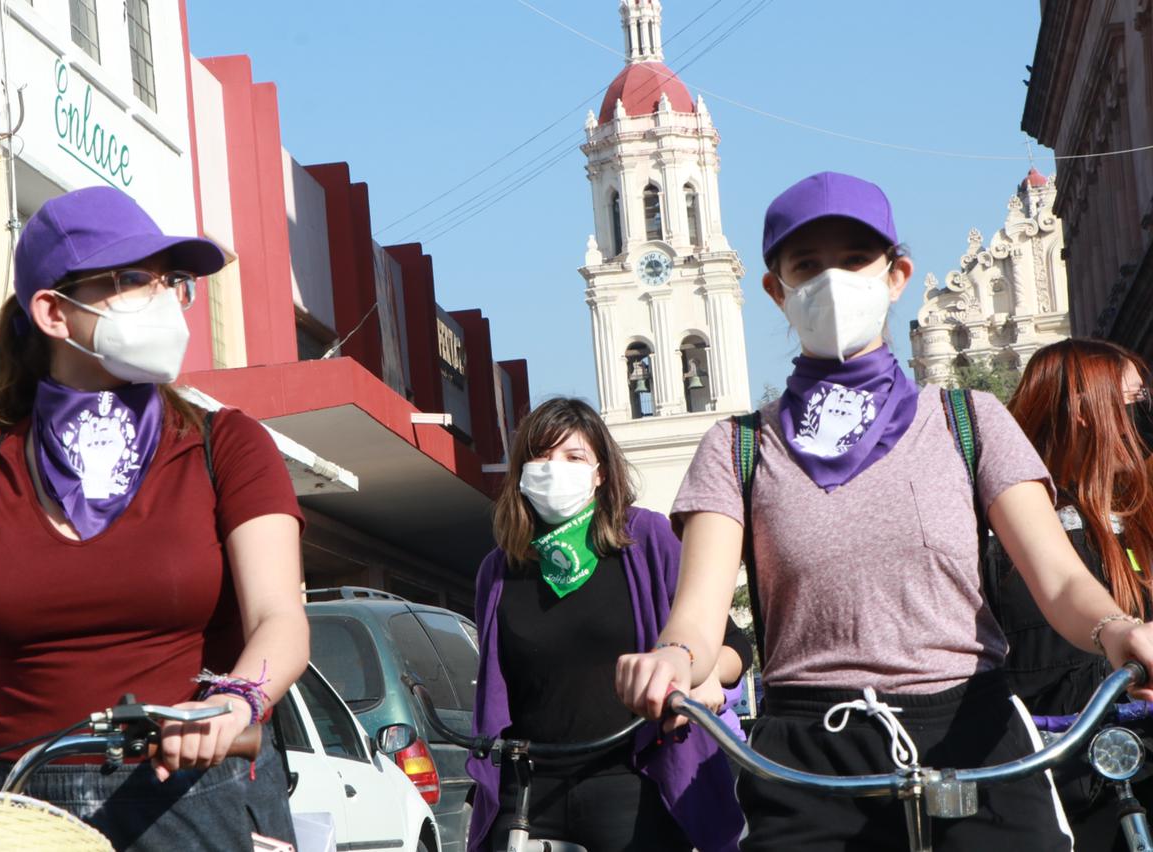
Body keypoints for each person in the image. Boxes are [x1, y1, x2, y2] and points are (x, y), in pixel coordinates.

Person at [614, 171, 1153, 852]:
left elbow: (1060, 580)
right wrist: (670, 658)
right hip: (806, 759)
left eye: (855, 259)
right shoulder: (738, 446)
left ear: (897, 274)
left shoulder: (970, 420)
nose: (832, 281)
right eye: (807, 265)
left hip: (974, 741)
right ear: (775, 290)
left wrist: (1117, 629)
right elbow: (696, 614)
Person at [0, 186, 308, 851]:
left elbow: (281, 619)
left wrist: (237, 700)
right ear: (52, 311)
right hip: (26, 812)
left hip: (200, 787)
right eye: (134, 280)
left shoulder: (228, 446)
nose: (162, 299)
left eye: (171, 281)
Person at [469, 397, 751, 852]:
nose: (553, 467)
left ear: (601, 473)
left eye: (573, 456)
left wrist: (702, 678)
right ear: (520, 473)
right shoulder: (498, 570)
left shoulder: (648, 540)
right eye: (540, 456)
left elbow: (735, 646)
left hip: (631, 783)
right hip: (528, 792)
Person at [988, 338, 1153, 850]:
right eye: (1133, 400)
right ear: (1084, 413)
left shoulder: (1143, 514)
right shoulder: (999, 542)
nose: (1144, 413)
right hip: (1057, 789)